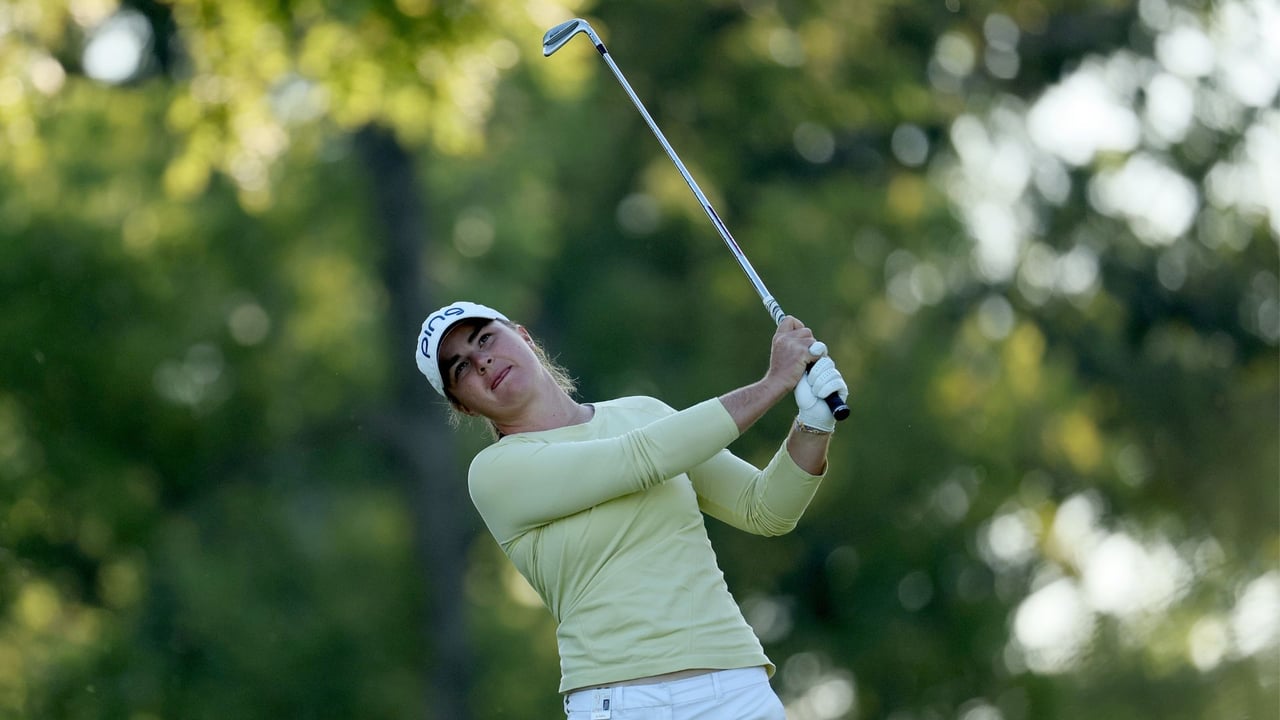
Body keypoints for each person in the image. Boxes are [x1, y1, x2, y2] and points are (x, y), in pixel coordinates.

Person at [415, 300, 848, 720]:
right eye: (461, 367)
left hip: (737, 689)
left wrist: (813, 424)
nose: (482, 362)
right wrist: (773, 383)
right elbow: (639, 459)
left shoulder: (644, 412)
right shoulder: (495, 473)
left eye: (485, 339)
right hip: (619, 702)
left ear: (523, 336)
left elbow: (764, 509)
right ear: (465, 406)